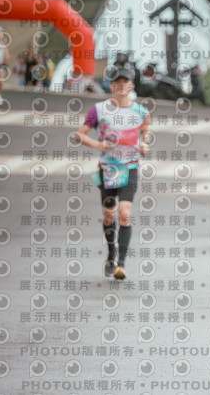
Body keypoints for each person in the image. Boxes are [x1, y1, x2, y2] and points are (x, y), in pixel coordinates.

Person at [75, 67, 150, 280]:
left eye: (125, 82)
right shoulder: (99, 110)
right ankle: (111, 254)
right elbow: (79, 135)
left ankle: (121, 263)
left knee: (124, 213)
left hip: (130, 167)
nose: (121, 85)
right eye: (117, 82)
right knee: (109, 215)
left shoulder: (141, 112)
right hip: (108, 169)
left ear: (131, 85)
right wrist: (97, 144)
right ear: (111, 85)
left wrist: (144, 145)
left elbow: (146, 133)